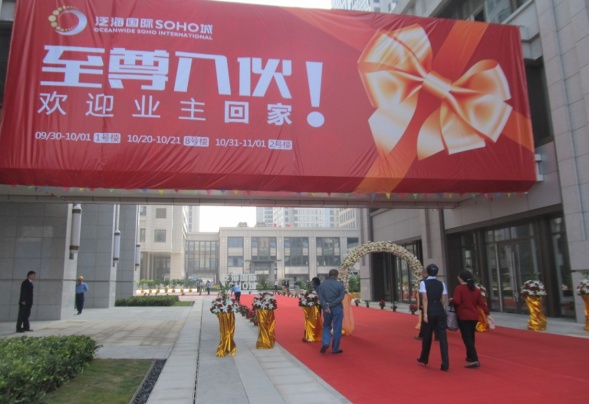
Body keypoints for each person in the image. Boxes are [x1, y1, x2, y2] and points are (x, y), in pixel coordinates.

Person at [451, 270, 490, 368]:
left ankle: (474, 358)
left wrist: (451, 300)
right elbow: (481, 303)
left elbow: (457, 301)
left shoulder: (459, 288)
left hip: (463, 316)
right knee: (471, 336)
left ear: (461, 278)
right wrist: (487, 313)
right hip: (474, 316)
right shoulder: (475, 289)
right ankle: (470, 356)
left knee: (467, 337)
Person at [417, 264, 449, 371]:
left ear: (428, 272)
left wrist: (425, 314)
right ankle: (445, 363)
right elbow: (443, 300)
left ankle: (424, 358)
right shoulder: (441, 283)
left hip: (430, 310)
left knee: (427, 336)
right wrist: (439, 306)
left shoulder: (424, 283)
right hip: (439, 309)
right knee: (443, 337)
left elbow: (425, 299)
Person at [317, 269, 345, 354]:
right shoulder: (340, 285)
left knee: (326, 326)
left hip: (326, 308)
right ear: (337, 275)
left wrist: (326, 306)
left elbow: (321, 297)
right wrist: (332, 304)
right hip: (337, 307)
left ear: (329, 275)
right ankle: (335, 348)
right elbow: (341, 297)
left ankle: (325, 342)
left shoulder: (322, 285)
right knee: (337, 327)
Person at [415, 268, 440, 342]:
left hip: (426, 303)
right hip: (435, 303)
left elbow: (422, 295)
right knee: (435, 320)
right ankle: (437, 335)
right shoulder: (438, 282)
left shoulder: (423, 282)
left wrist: (421, 304)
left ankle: (423, 335)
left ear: (425, 273)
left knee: (425, 320)